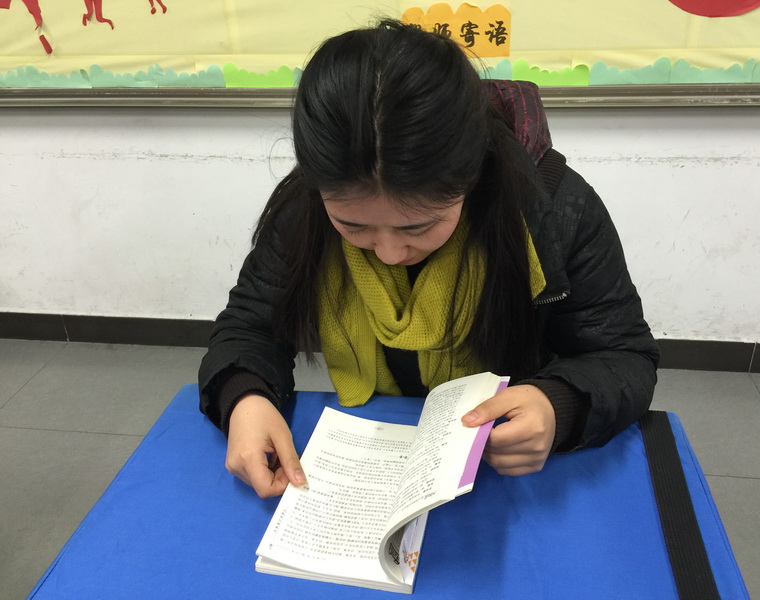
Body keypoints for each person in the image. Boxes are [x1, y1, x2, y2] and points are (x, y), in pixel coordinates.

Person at [198, 20, 660, 498]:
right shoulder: (305, 210)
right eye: (353, 226)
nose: (389, 253)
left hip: (504, 463)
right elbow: (249, 326)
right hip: (371, 445)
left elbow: (624, 355)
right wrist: (244, 397)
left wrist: (557, 404)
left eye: (417, 228)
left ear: (471, 178)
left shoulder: (555, 208)